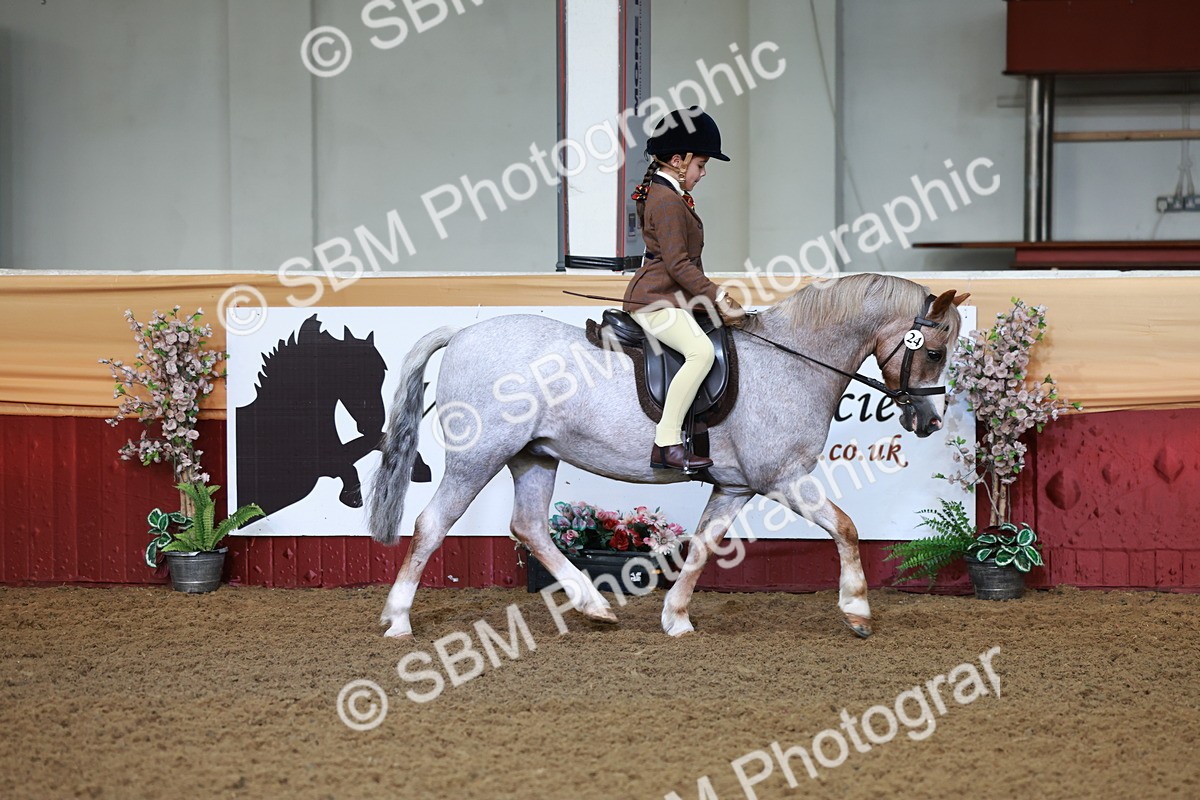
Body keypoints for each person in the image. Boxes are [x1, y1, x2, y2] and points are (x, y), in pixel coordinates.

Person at [622, 107, 745, 472]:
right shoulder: (666, 200)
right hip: (655, 301)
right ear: (678, 160)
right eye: (701, 165)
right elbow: (678, 265)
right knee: (700, 353)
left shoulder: (667, 193)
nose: (703, 173)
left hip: (671, 297)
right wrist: (718, 296)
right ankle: (666, 442)